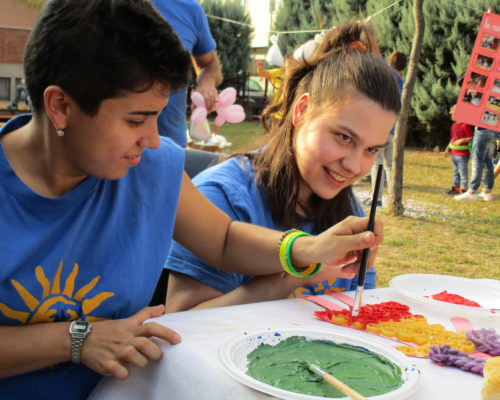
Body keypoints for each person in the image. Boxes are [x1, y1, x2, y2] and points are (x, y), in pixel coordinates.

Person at [0, 1, 385, 398]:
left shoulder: (152, 167)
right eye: (135, 120)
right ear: (61, 106)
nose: (153, 139)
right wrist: (76, 340)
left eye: (158, 116)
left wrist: (308, 249)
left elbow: (224, 240)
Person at [164, 21, 401, 312]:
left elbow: (357, 312)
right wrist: (295, 274)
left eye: (371, 149)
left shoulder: (348, 212)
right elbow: (181, 324)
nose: (354, 165)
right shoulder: (224, 196)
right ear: (301, 111)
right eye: (343, 137)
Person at [151, 0, 223, 147]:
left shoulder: (191, 9)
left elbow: (210, 64)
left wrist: (207, 83)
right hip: (114, 145)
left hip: (171, 143)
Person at [366, 49, 407, 207]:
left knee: (377, 163)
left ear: (390, 63)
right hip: (393, 129)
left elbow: (376, 55)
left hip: (380, 129)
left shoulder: (388, 73)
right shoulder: (402, 83)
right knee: (390, 165)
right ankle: (393, 198)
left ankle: (376, 199)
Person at [455, 127, 499, 202]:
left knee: (477, 161)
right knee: (488, 161)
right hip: (494, 131)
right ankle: (487, 192)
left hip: (482, 131)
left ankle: (472, 192)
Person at [444, 121, 474, 195]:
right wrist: (447, 148)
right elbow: (453, 138)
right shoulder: (454, 126)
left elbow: (471, 137)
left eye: (453, 113)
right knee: (455, 172)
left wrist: (461, 140)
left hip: (462, 154)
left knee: (463, 173)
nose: (452, 115)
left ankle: (464, 190)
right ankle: (455, 189)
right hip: (454, 153)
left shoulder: (465, 125)